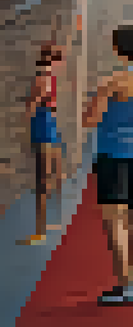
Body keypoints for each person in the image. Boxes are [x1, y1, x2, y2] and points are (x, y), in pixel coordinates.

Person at [82, 24, 133, 306]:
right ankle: (131, 273)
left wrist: (93, 96)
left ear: (116, 47)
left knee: (114, 220)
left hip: (114, 154)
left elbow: (88, 120)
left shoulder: (115, 80)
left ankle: (124, 285)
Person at [20, 42, 65, 246]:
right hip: (50, 128)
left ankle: (41, 230)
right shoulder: (50, 78)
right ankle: (55, 221)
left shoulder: (43, 78)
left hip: (42, 129)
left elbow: (34, 102)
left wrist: (26, 126)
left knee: (42, 180)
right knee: (53, 176)